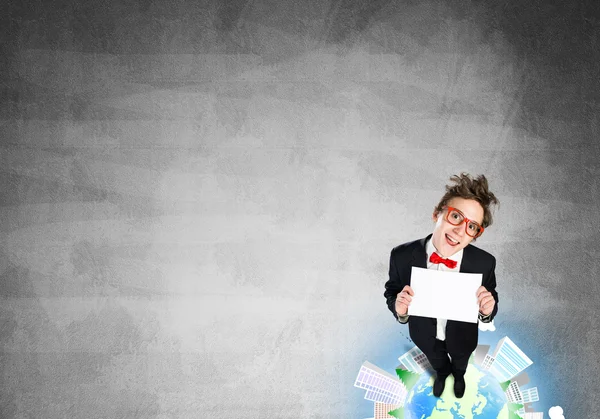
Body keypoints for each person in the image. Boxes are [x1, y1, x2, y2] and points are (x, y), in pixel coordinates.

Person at [384, 173, 499, 399]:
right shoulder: (401, 255)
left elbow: (491, 297)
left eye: (472, 226)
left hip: (463, 338)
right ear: (437, 213)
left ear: (475, 235)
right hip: (424, 335)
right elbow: (392, 290)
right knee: (437, 362)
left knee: (461, 364)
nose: (459, 231)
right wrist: (400, 309)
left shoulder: (485, 263)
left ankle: (458, 377)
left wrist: (487, 312)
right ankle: (442, 374)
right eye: (455, 216)